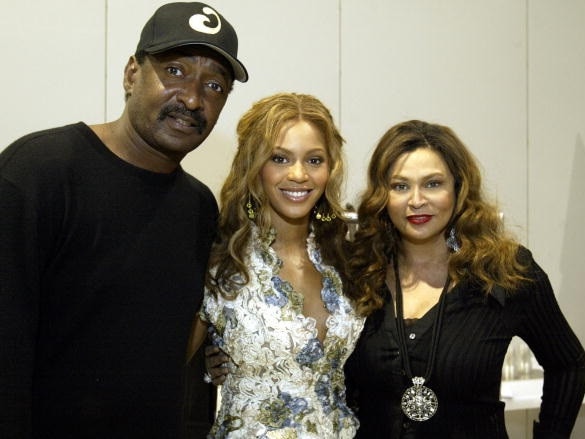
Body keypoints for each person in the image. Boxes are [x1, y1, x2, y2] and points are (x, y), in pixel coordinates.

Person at [0, 2, 247, 438]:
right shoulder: (38, 172)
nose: (192, 98)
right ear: (132, 73)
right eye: (175, 71)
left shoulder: (198, 208)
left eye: (214, 85)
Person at [343, 120, 585, 438]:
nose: (416, 200)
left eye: (432, 184)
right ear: (382, 196)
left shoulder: (506, 271)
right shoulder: (357, 273)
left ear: (459, 188)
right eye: (400, 186)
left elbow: (569, 365)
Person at [186, 92, 365, 438]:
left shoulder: (344, 257)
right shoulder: (220, 258)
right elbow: (163, 367)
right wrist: (206, 368)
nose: (299, 175)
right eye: (280, 158)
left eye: (314, 160)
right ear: (254, 166)